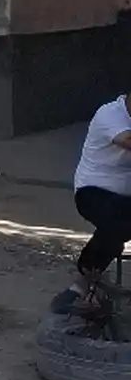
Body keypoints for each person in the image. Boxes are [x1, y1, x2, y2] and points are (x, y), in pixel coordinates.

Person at [73, 90, 131, 280]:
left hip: (125, 196)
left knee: (119, 227)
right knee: (118, 226)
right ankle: (88, 270)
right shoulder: (110, 113)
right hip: (92, 191)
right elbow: (126, 140)